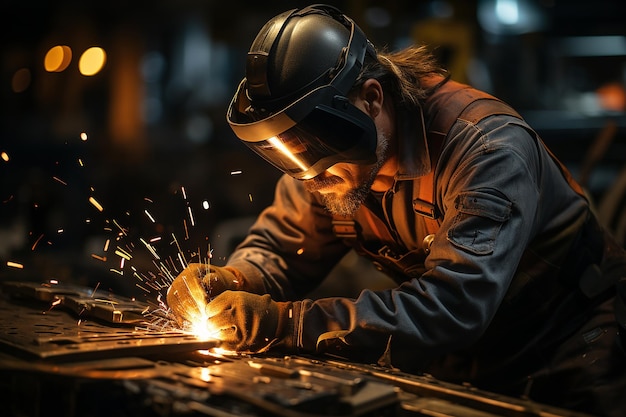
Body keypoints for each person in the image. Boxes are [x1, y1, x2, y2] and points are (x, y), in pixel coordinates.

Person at [166, 4, 626, 416]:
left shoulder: (485, 149)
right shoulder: (323, 164)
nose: (309, 174)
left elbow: (452, 307)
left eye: (318, 145)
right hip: (469, 354)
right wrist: (237, 278)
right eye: (293, 153)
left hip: (569, 344)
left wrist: (288, 323)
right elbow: (284, 246)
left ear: (371, 98)